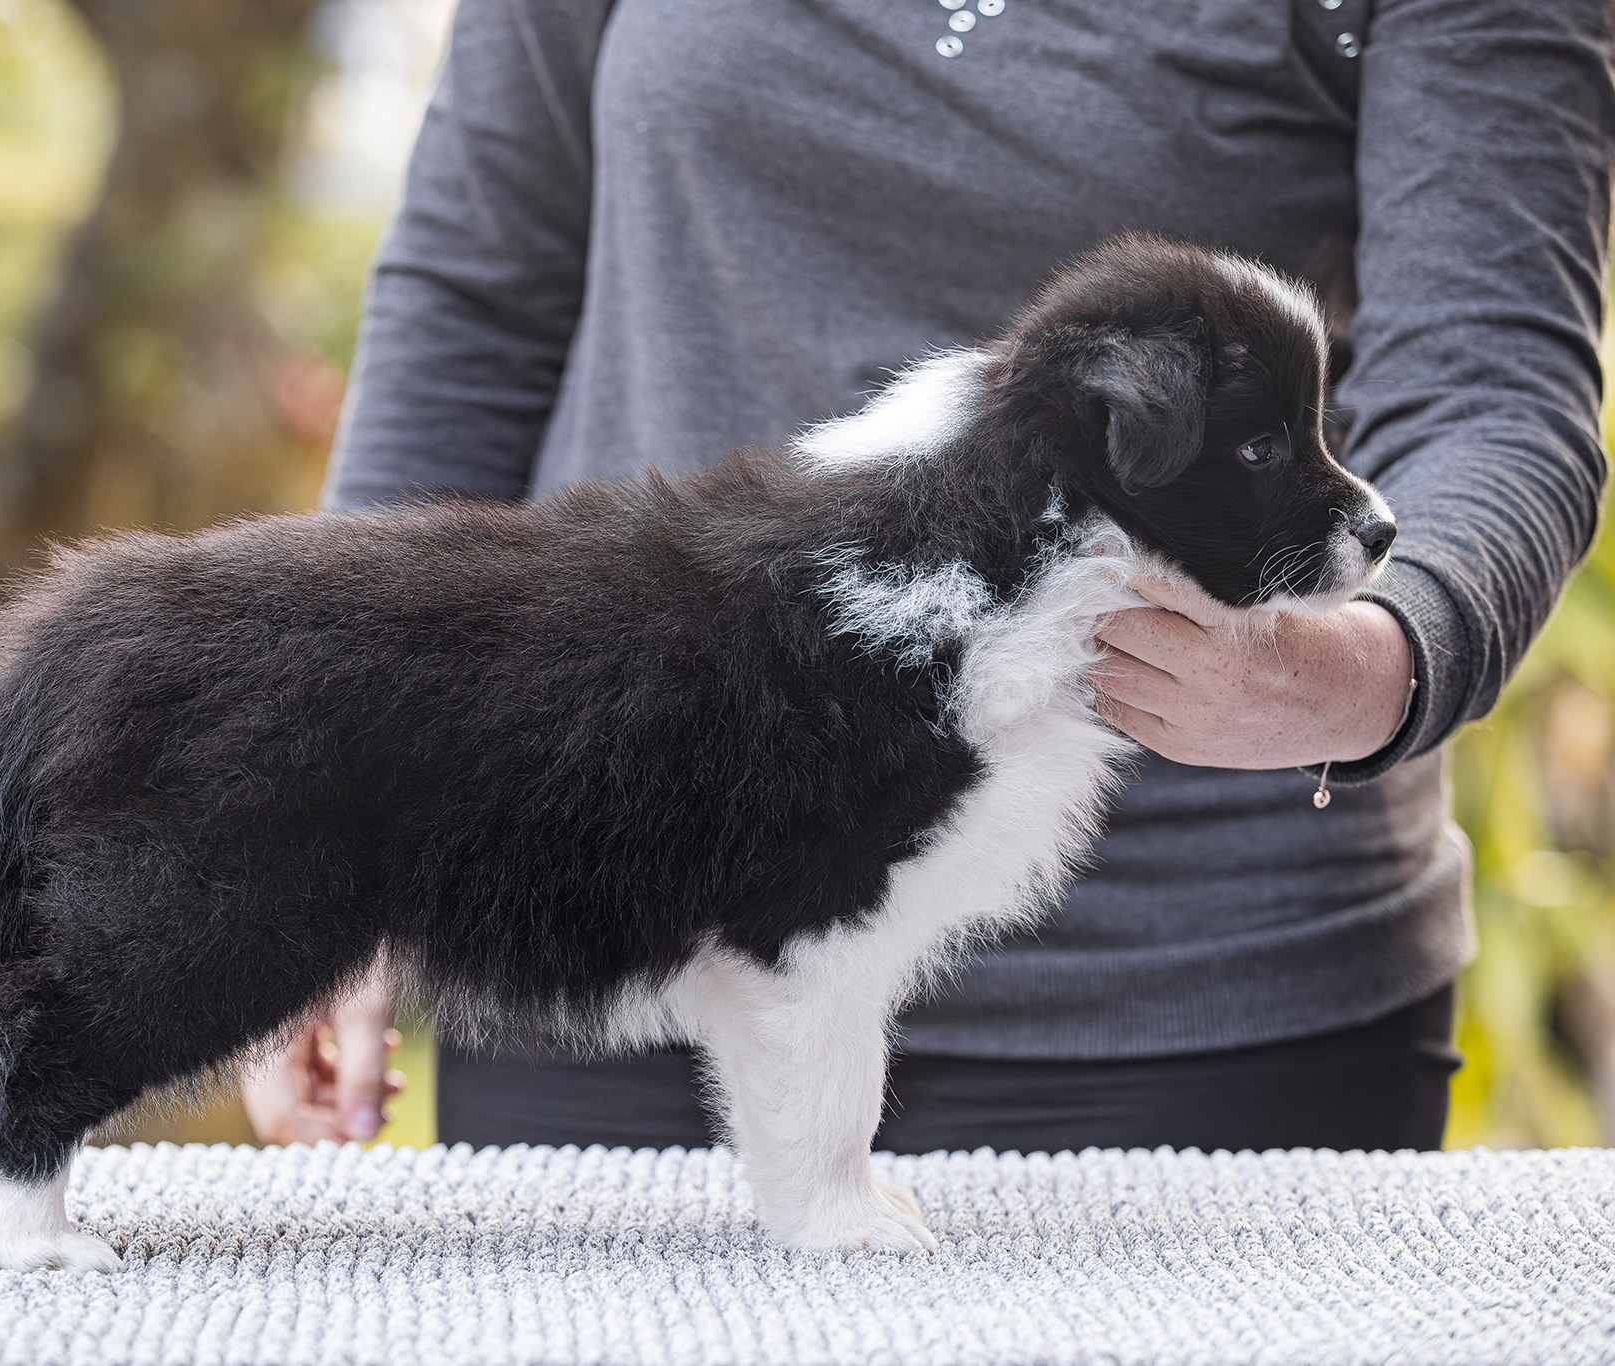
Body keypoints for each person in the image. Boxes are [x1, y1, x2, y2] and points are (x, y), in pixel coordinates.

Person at [244, 0, 1614, 1154]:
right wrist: (331, 803)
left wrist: (1368, 665)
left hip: (1195, 1009)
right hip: (612, 907)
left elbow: (1493, 385)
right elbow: (479, 295)